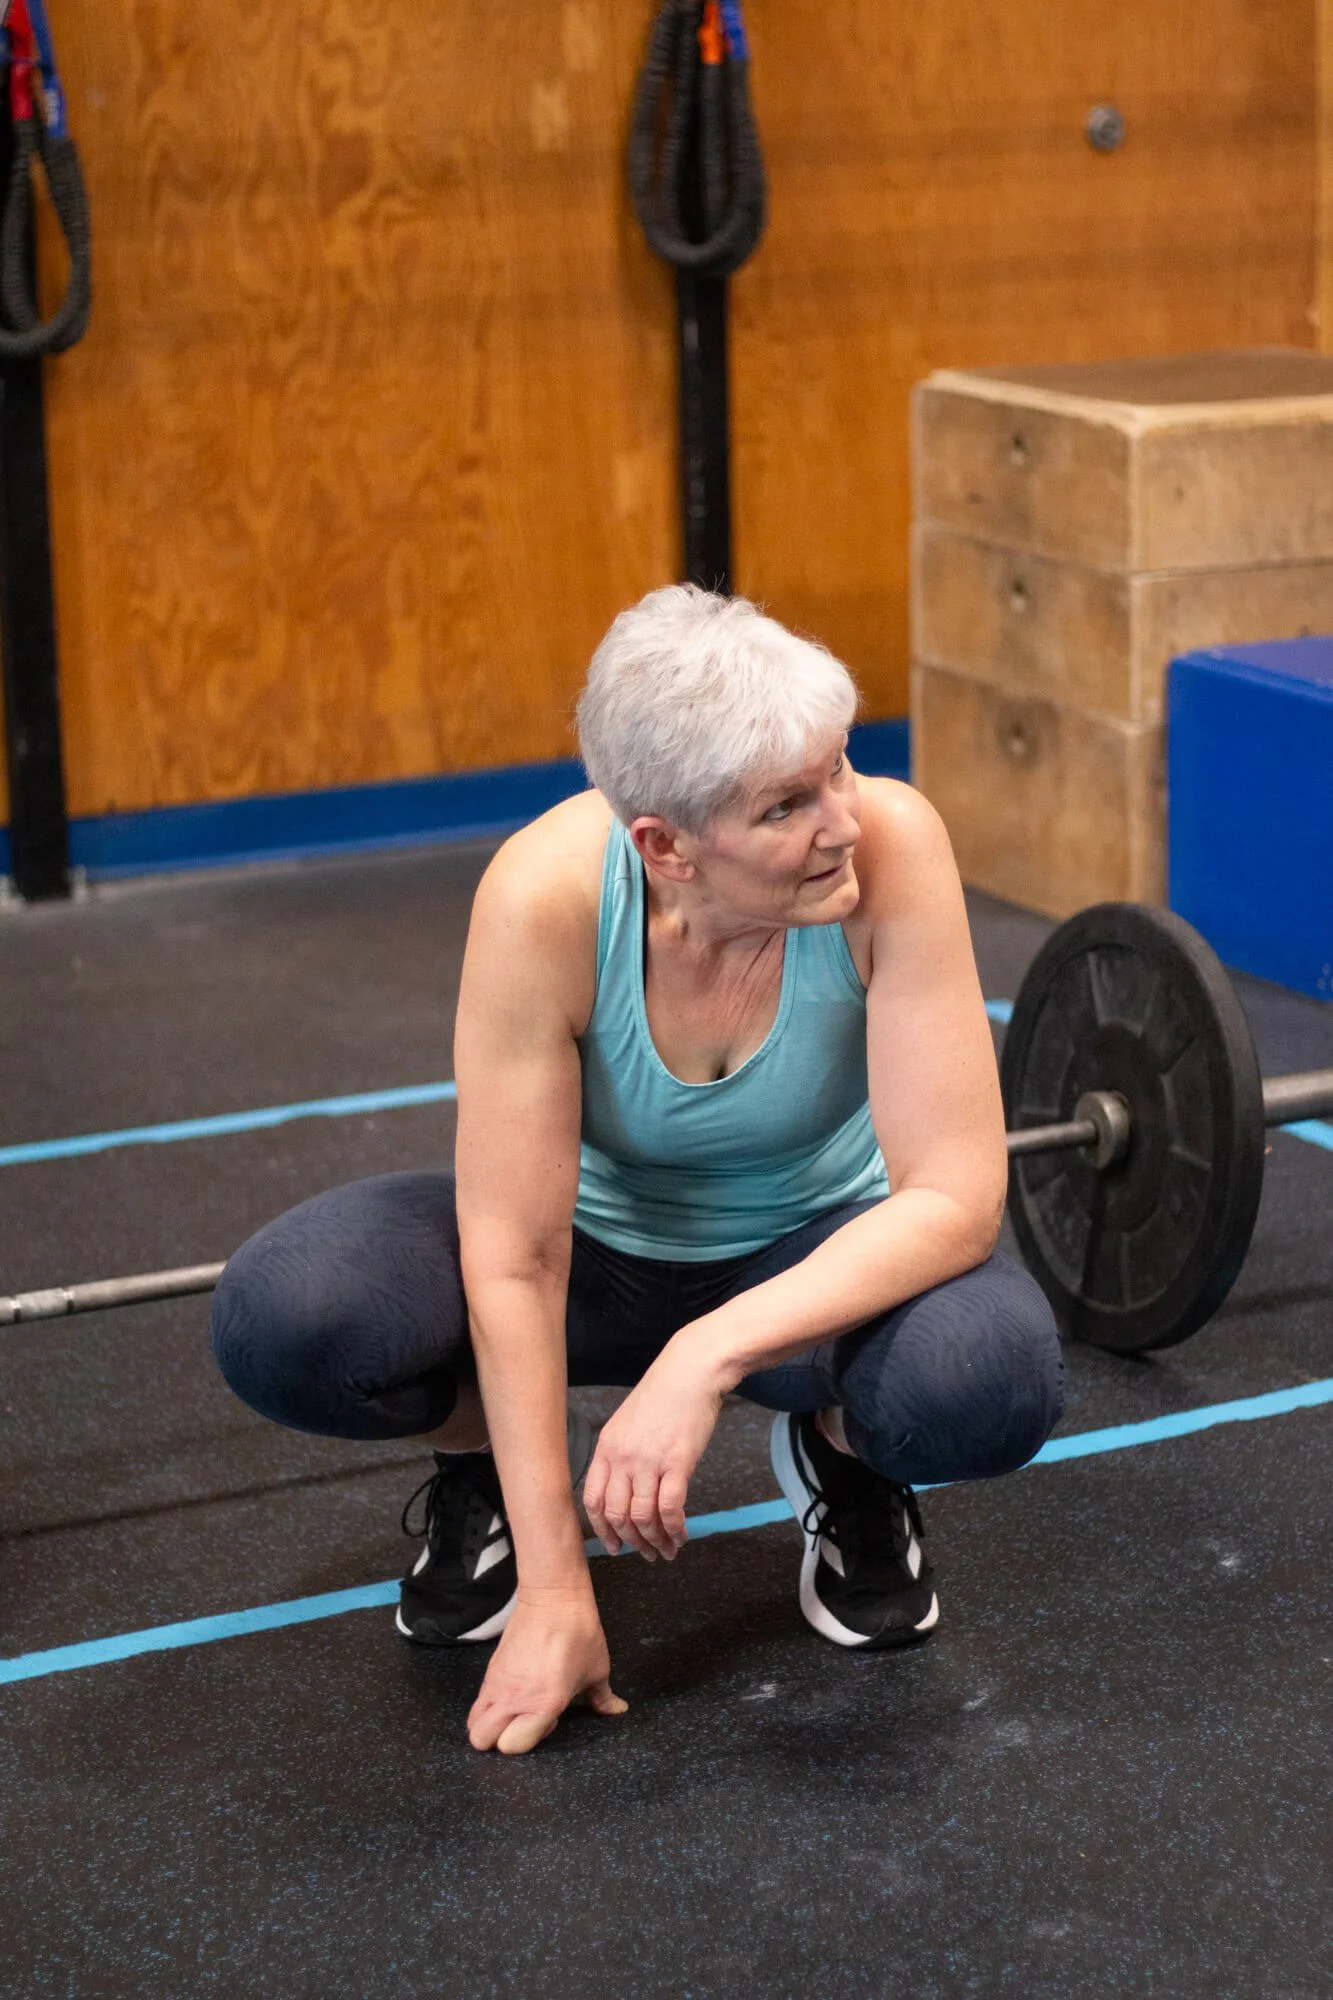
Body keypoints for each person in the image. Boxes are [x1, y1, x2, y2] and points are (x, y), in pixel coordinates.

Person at [211, 585, 1063, 1757]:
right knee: (288, 1318)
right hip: (594, 1261)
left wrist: (704, 1356)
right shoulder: (541, 898)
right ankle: (486, 1479)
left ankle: (841, 1454)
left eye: (839, 769)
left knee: (989, 1380)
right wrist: (562, 1589)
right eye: (785, 806)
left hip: (809, 1244)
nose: (843, 822)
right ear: (662, 844)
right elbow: (515, 1252)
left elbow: (955, 1198)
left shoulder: (893, 848)